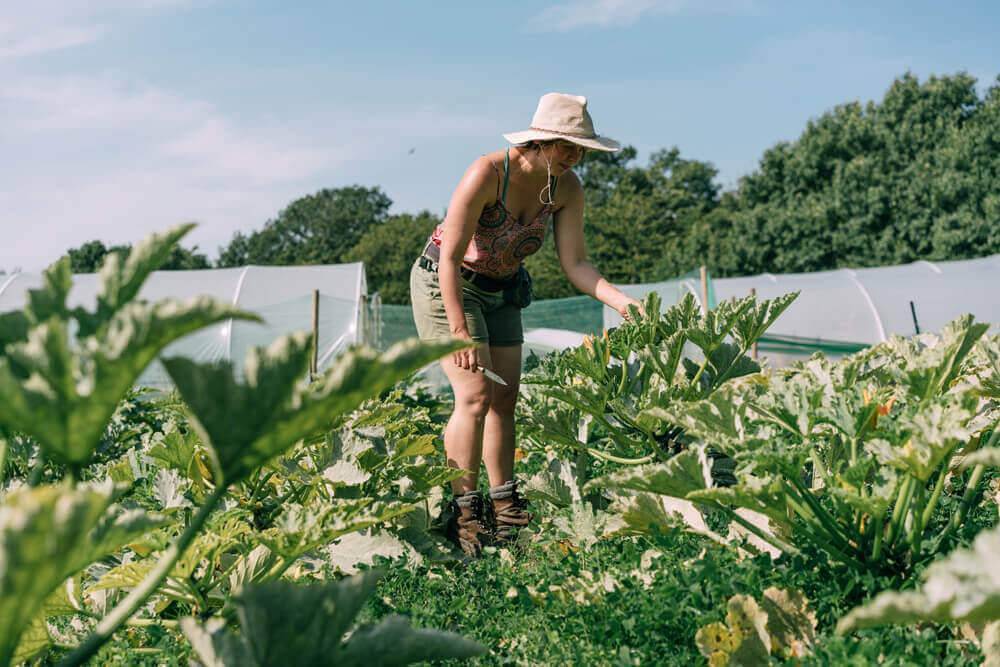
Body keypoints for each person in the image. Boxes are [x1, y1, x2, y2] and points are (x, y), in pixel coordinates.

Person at [410, 92, 641, 556]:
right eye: (567, 146)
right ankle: (464, 512)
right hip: (447, 285)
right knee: (474, 396)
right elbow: (452, 257)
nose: (576, 157)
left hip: (502, 290)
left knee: (505, 398)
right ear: (540, 141)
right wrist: (458, 329)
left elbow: (576, 263)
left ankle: (505, 507)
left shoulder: (568, 188)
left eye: (581, 150)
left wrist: (621, 302)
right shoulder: (488, 173)